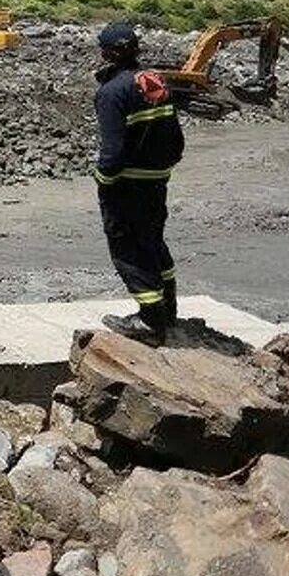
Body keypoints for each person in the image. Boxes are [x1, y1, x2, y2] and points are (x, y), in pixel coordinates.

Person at [92, 21, 186, 342]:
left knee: (129, 248)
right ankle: (167, 311)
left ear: (107, 53)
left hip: (127, 185)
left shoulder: (111, 93)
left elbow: (113, 151)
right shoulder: (154, 81)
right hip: (157, 181)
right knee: (153, 241)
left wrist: (103, 179)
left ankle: (149, 321)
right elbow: (176, 139)